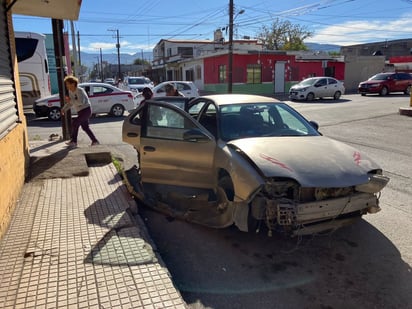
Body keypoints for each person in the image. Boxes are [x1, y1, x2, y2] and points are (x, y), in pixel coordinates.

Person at [62, 75, 99, 147]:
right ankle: (95, 141)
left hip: (86, 110)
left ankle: (73, 141)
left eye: (67, 83)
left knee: (75, 123)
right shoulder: (70, 91)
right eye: (66, 84)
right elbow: (71, 103)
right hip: (80, 111)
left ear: (73, 83)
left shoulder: (79, 90)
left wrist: (71, 100)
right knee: (85, 127)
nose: (66, 85)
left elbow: (81, 102)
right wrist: (64, 109)